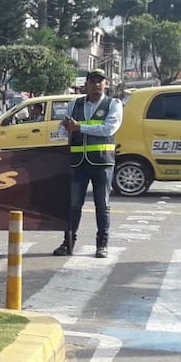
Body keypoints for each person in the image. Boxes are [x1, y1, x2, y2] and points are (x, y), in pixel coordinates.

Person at [52, 68, 123, 259]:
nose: (96, 84)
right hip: (77, 163)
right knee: (73, 205)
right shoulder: (74, 104)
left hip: (102, 162)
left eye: (100, 81)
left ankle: (102, 244)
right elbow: (61, 130)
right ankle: (68, 243)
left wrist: (79, 127)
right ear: (86, 84)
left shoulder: (113, 104)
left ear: (106, 84)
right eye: (93, 81)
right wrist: (65, 129)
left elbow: (109, 129)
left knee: (102, 204)